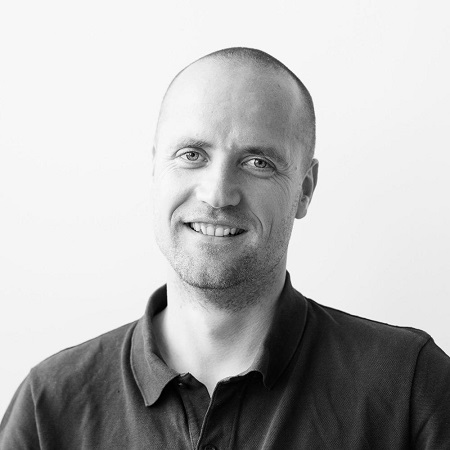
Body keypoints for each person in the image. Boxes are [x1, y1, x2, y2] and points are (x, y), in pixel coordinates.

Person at [1, 47, 449, 449]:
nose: (217, 194)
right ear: (155, 169)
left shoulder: (410, 386)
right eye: (192, 155)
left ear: (305, 190)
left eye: (257, 162)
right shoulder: (49, 406)